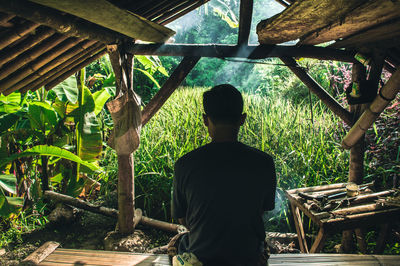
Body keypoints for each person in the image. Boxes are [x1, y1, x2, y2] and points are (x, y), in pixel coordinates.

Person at [172, 84, 276, 266]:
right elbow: (261, 211)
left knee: (182, 244)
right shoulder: (264, 162)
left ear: (205, 119)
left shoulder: (184, 164)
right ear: (242, 119)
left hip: (203, 259)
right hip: (249, 258)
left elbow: (184, 219)